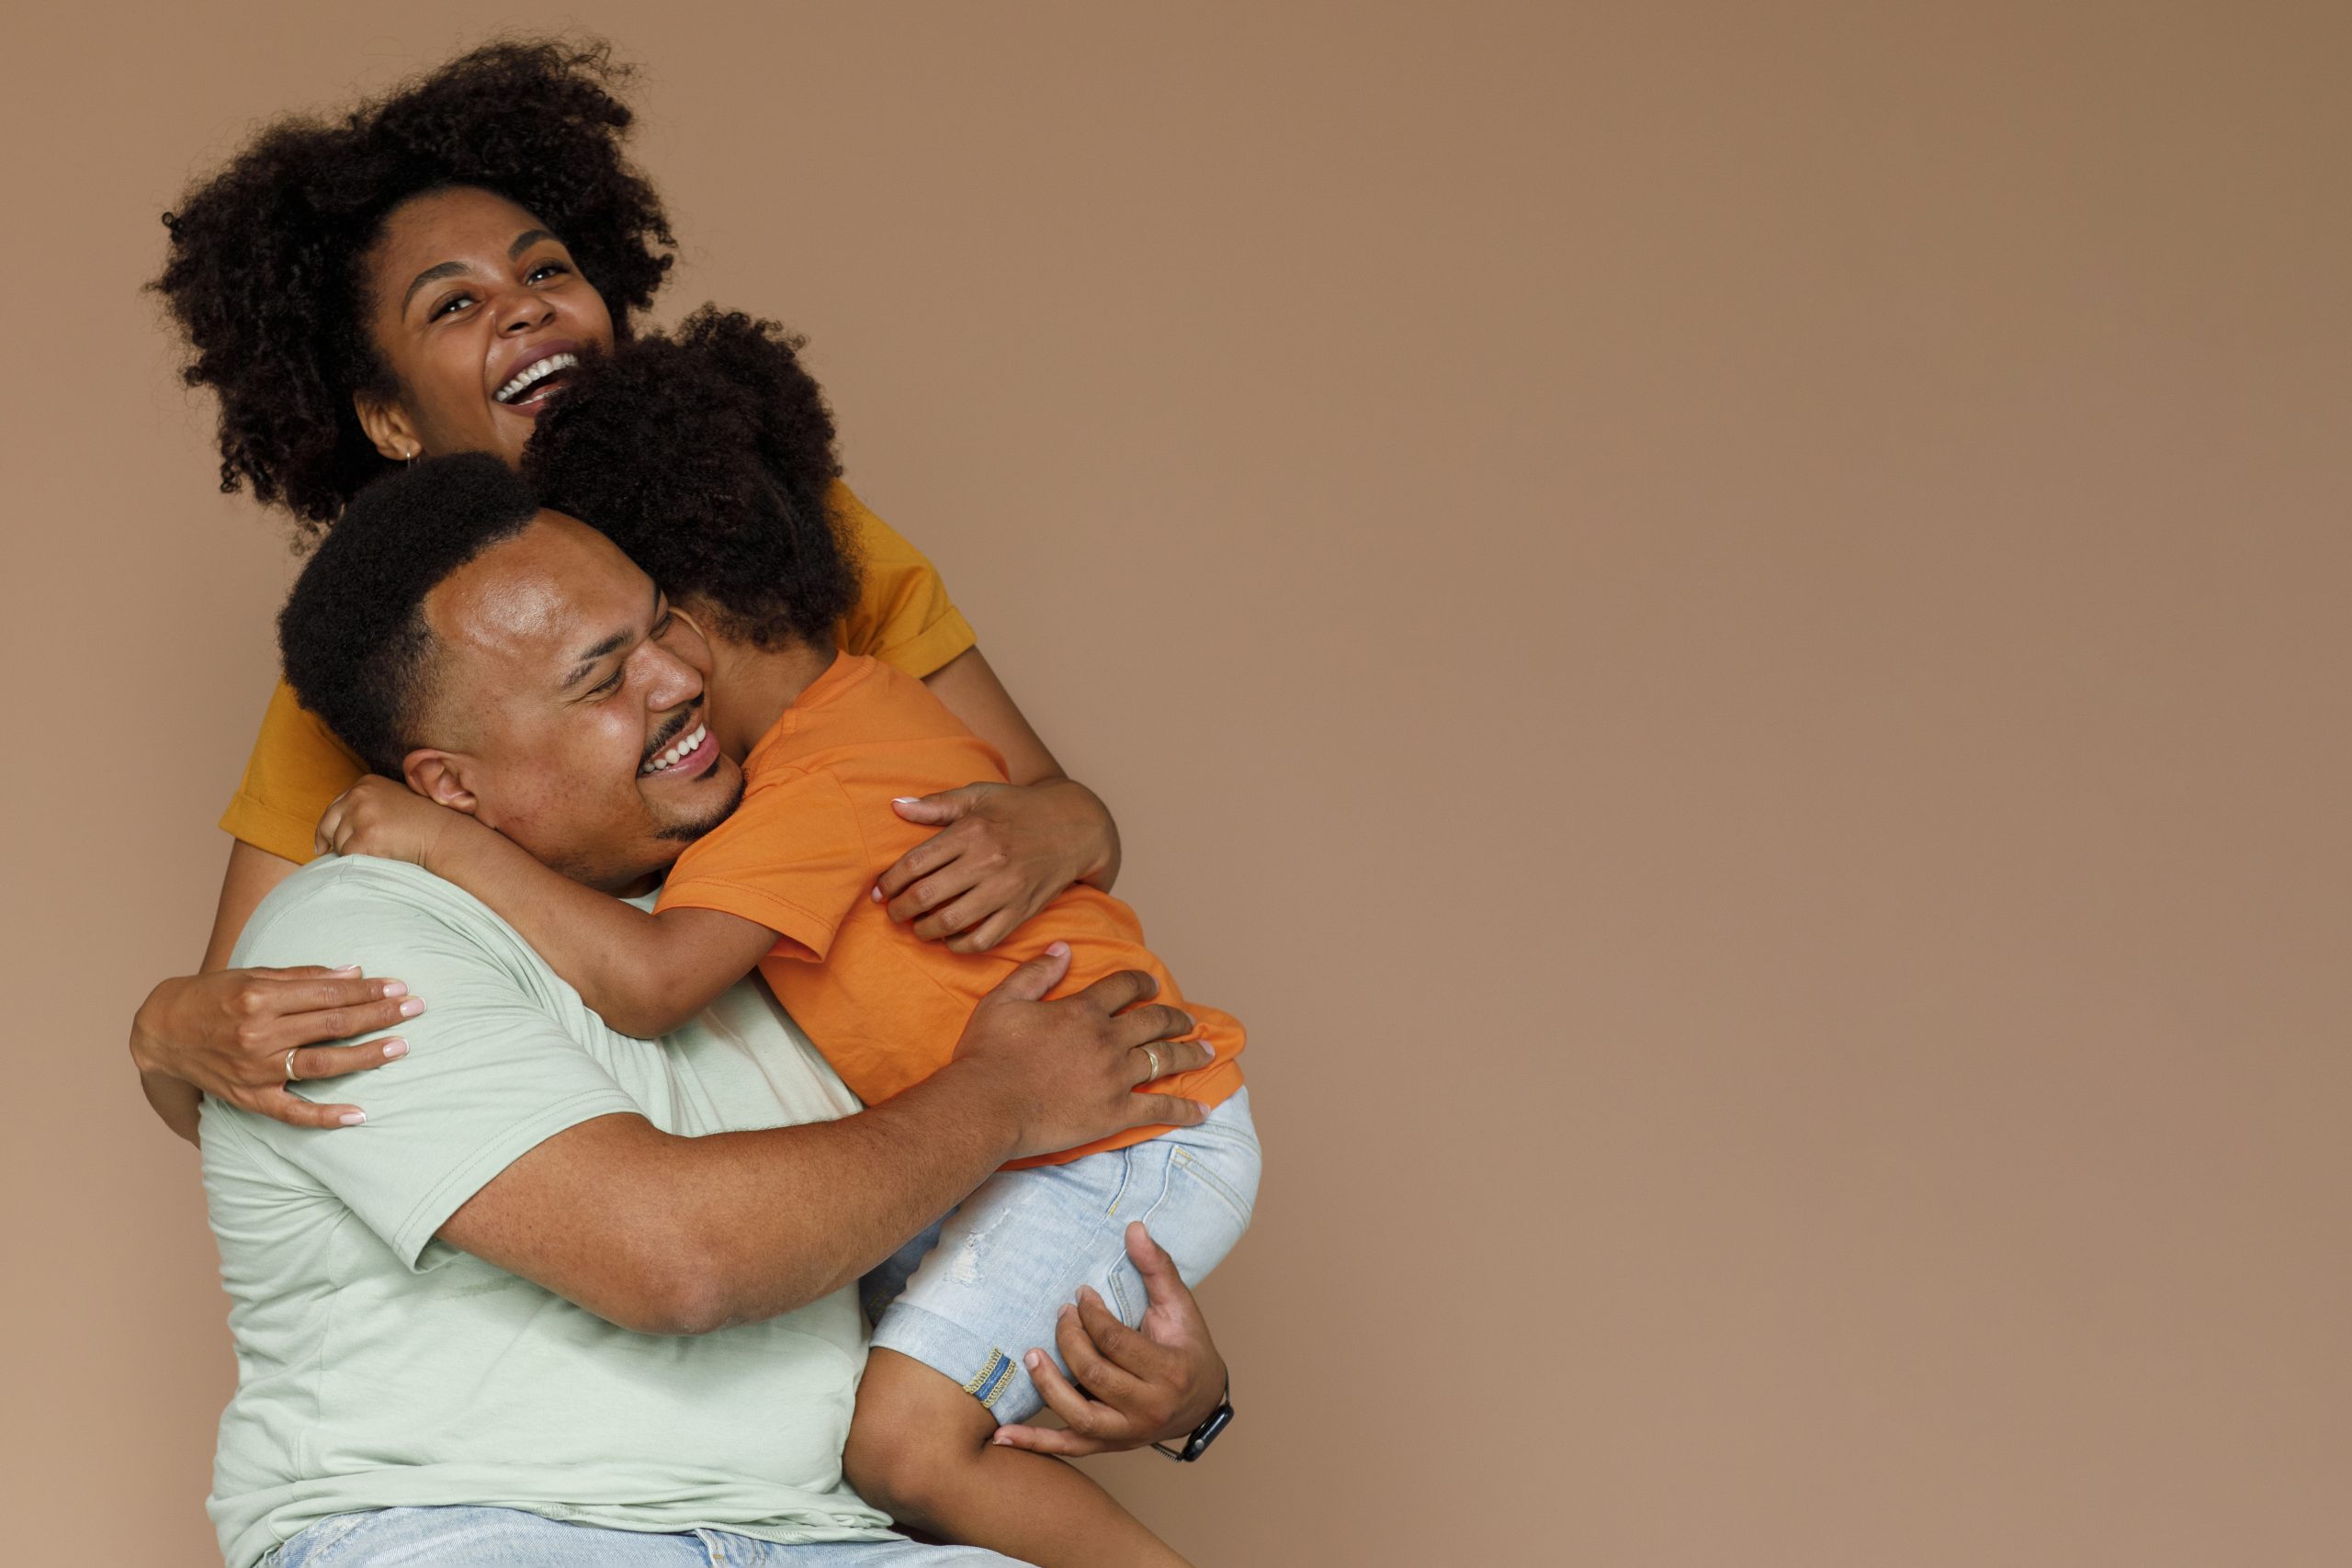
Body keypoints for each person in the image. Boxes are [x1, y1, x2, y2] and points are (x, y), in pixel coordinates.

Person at [130, 37, 1222, 1456]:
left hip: (902, 1155)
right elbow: (244, 1038)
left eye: (546, 270)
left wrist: (1067, 822)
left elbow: (1042, 817)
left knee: (953, 1437)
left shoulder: (788, 531)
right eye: (455, 304)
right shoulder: (385, 671)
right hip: (668, 1308)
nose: (524, 311)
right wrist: (163, 1027)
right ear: (391, 419)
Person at [314, 320, 1257, 1568]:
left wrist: (441, 843)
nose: (651, 682)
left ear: (682, 623)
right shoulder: (824, 749)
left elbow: (652, 985)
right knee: (871, 1437)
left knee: (902, 1453)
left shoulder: (817, 776)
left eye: (640, 637)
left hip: (1118, 1137)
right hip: (1055, 1149)